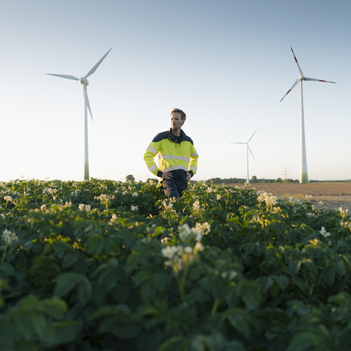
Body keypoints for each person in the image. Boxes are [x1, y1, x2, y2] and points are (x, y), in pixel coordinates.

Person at [144, 108, 199, 198]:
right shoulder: (161, 137)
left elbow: (195, 157)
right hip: (168, 179)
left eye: (176, 119)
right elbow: (147, 155)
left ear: (183, 121)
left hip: (183, 180)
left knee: (184, 204)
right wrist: (159, 173)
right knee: (174, 199)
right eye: (172, 119)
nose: (173, 121)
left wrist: (191, 172)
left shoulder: (188, 141)